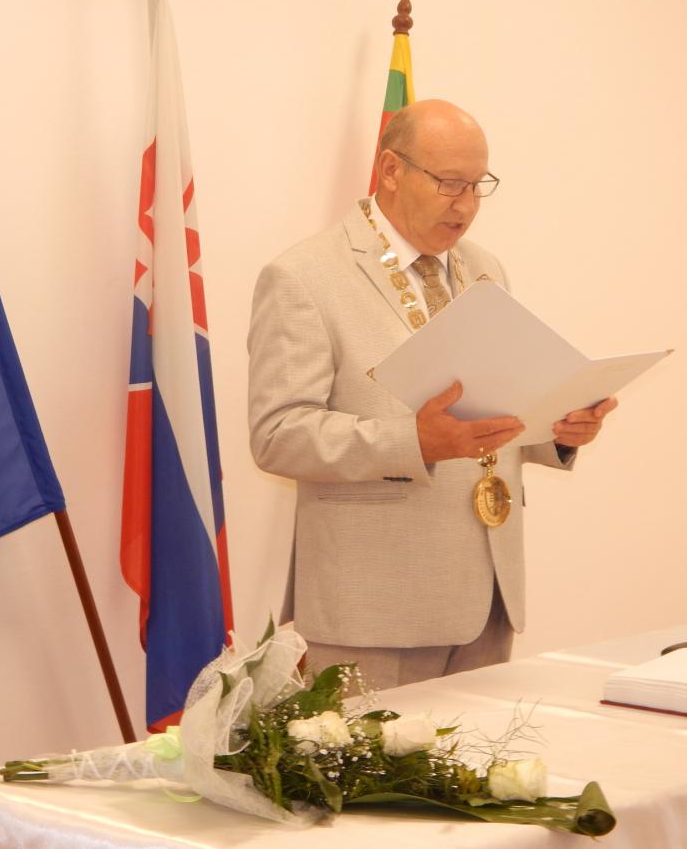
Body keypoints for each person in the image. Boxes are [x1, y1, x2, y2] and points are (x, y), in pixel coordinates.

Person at [247, 100, 615, 690]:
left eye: (478, 185)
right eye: (449, 183)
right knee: (374, 758)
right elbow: (278, 435)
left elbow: (497, 405)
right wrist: (412, 442)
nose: (466, 205)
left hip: (488, 596)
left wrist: (559, 430)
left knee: (485, 755)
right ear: (391, 170)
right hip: (373, 606)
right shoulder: (305, 276)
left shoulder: (484, 268)